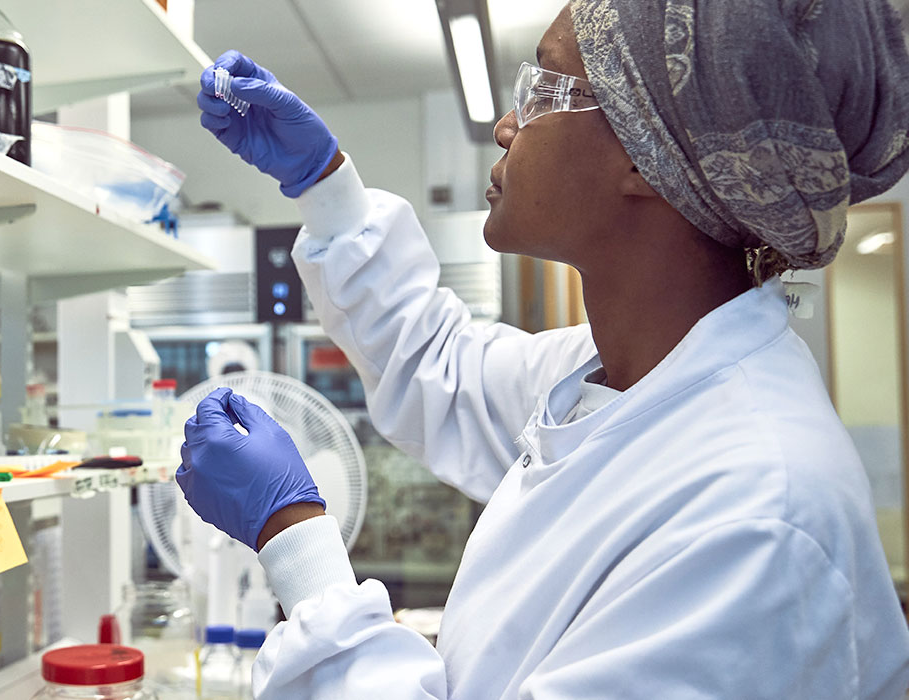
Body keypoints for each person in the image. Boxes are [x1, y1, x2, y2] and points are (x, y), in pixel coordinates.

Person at [177, 0, 909, 697]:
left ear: (647, 153)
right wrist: (324, 184)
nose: (506, 125)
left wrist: (295, 541)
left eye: (545, 87)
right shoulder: (616, 378)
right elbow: (440, 364)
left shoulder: (757, 517)